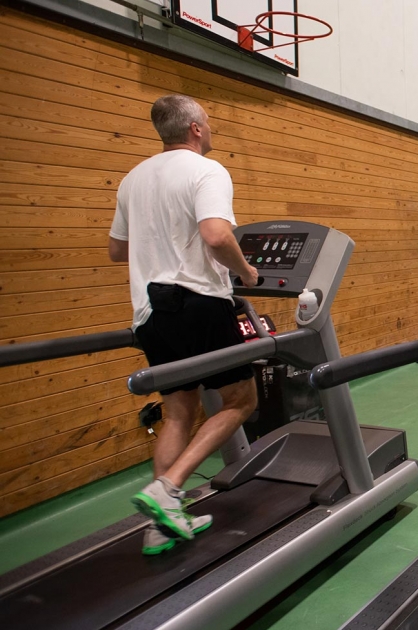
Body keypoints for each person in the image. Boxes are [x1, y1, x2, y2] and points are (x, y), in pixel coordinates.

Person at [109, 95, 260, 556]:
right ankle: (170, 487)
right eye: (208, 122)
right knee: (240, 400)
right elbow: (217, 235)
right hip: (198, 303)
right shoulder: (206, 171)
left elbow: (117, 250)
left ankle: (160, 525)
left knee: (178, 411)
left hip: (149, 313)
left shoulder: (133, 179)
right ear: (195, 128)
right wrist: (247, 274)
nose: (209, 129)